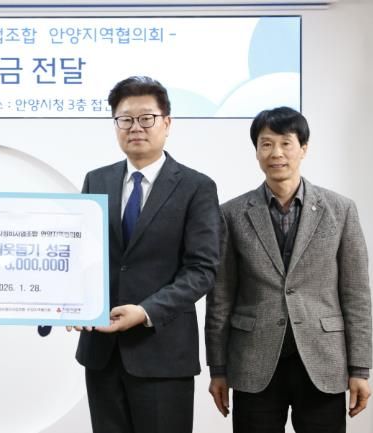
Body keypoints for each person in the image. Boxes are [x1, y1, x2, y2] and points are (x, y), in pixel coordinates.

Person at [205, 106, 372, 432]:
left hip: (323, 361)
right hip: (254, 363)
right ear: (256, 151)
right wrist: (218, 369)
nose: (276, 153)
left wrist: (360, 369)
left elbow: (356, 294)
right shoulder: (232, 214)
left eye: (286, 143)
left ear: (303, 148)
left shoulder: (340, 210)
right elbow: (220, 297)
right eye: (266, 144)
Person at [72, 76, 221, 433]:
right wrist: (70, 302)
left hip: (163, 353)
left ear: (166, 123)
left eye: (146, 118)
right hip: (102, 352)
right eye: (125, 119)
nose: (135, 127)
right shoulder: (96, 180)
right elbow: (80, 254)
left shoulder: (196, 187)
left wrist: (145, 311)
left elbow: (202, 270)